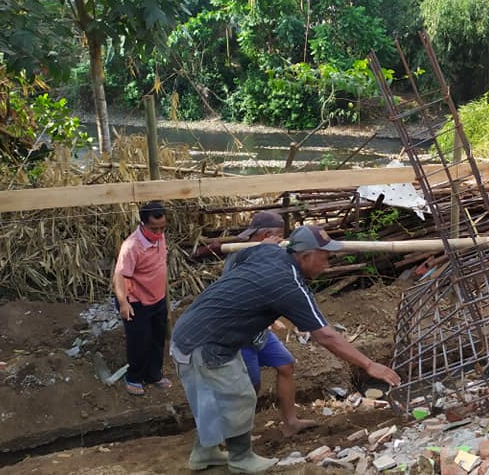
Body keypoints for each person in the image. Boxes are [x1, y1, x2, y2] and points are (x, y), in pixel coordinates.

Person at [171, 225, 401, 473]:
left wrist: (242, 290)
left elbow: (244, 255)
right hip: (204, 343)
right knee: (239, 397)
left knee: (218, 398)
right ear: (305, 256)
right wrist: (368, 364)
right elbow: (325, 335)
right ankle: (241, 458)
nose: (327, 264)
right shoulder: (288, 285)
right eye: (324, 257)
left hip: (203, 332)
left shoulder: (270, 253)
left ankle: (204, 454)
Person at [226, 211, 317, 437]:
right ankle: (236, 435)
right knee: (251, 384)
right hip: (240, 332)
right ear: (268, 234)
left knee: (285, 364)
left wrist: (272, 318)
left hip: (259, 331)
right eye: (280, 236)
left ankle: (291, 422)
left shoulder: (266, 256)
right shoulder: (239, 257)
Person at [113, 201, 172, 396]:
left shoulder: (160, 237)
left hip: (157, 298)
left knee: (157, 338)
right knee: (139, 341)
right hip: (136, 301)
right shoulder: (131, 247)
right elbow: (120, 276)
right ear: (142, 224)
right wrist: (123, 303)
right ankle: (134, 377)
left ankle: (154, 375)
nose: (159, 232)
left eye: (162, 228)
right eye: (154, 229)